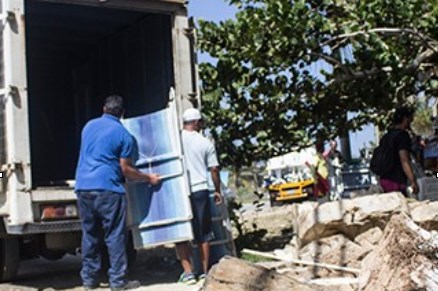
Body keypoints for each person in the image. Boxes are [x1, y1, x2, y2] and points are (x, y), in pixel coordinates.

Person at [75, 95, 161, 291]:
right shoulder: (124, 135)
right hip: (108, 189)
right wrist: (149, 178)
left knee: (90, 235)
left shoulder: (88, 126)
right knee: (114, 236)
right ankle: (117, 281)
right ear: (123, 113)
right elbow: (126, 170)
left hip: (83, 187)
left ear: (104, 109)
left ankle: (89, 280)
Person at [175, 108, 223, 285]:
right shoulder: (205, 143)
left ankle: (188, 273)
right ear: (196, 123)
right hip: (200, 190)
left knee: (180, 232)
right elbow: (214, 170)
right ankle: (204, 272)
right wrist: (217, 190)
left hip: (180, 190)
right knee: (204, 233)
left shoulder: (175, 139)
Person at [379, 106, 419, 196]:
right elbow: (404, 159)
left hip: (384, 180)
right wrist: (413, 181)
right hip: (396, 182)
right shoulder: (402, 136)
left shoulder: (386, 137)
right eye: (410, 118)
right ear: (405, 119)